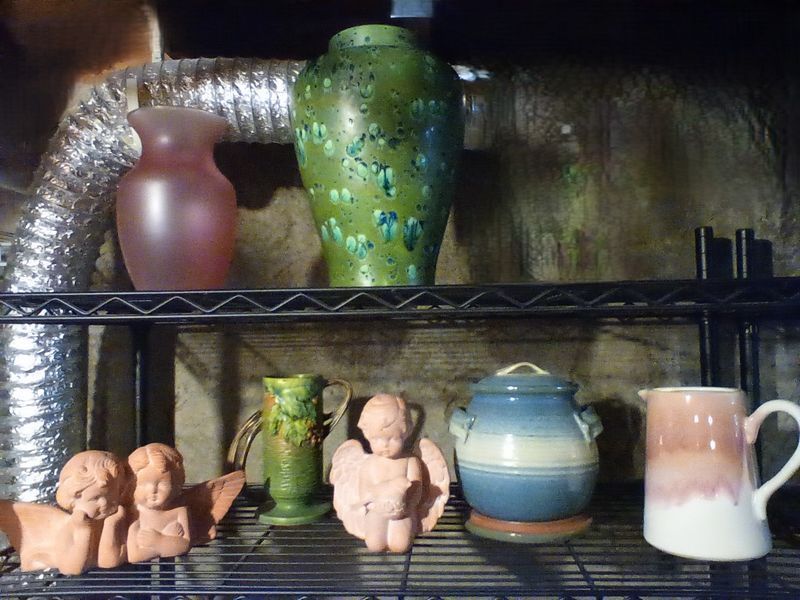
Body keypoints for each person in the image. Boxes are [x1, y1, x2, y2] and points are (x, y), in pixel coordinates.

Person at [126, 443, 191, 563]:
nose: (153, 490)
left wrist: (159, 541)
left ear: (176, 484)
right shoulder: (133, 515)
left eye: (163, 484)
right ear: (130, 486)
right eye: (143, 484)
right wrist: (168, 544)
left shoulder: (178, 512)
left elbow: (185, 544)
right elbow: (134, 556)